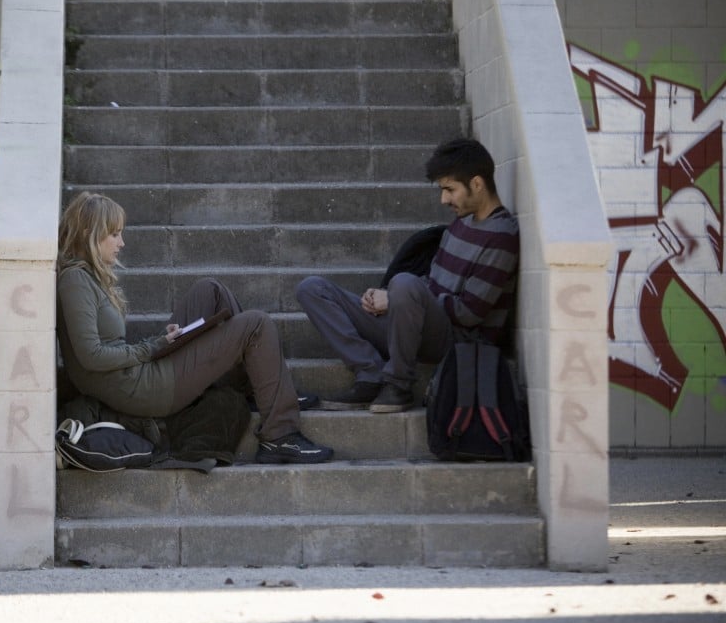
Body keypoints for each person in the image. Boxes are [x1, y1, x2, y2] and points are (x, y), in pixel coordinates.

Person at [56, 191, 333, 465]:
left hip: (137, 374)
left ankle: (260, 388)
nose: (122, 243)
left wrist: (158, 343)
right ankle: (280, 436)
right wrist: (152, 347)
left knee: (210, 290)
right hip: (145, 389)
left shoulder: (86, 277)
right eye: (114, 234)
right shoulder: (75, 281)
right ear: (88, 233)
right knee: (256, 324)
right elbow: (90, 355)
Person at [296, 137, 520, 412]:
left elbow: (469, 313)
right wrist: (394, 298)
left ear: (477, 184)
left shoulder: (502, 237)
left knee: (404, 283)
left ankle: (399, 385)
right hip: (417, 322)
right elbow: (432, 283)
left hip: (457, 338)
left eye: (450, 189)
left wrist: (401, 298)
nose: (444, 199)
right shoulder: (461, 223)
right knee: (312, 288)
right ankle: (370, 373)